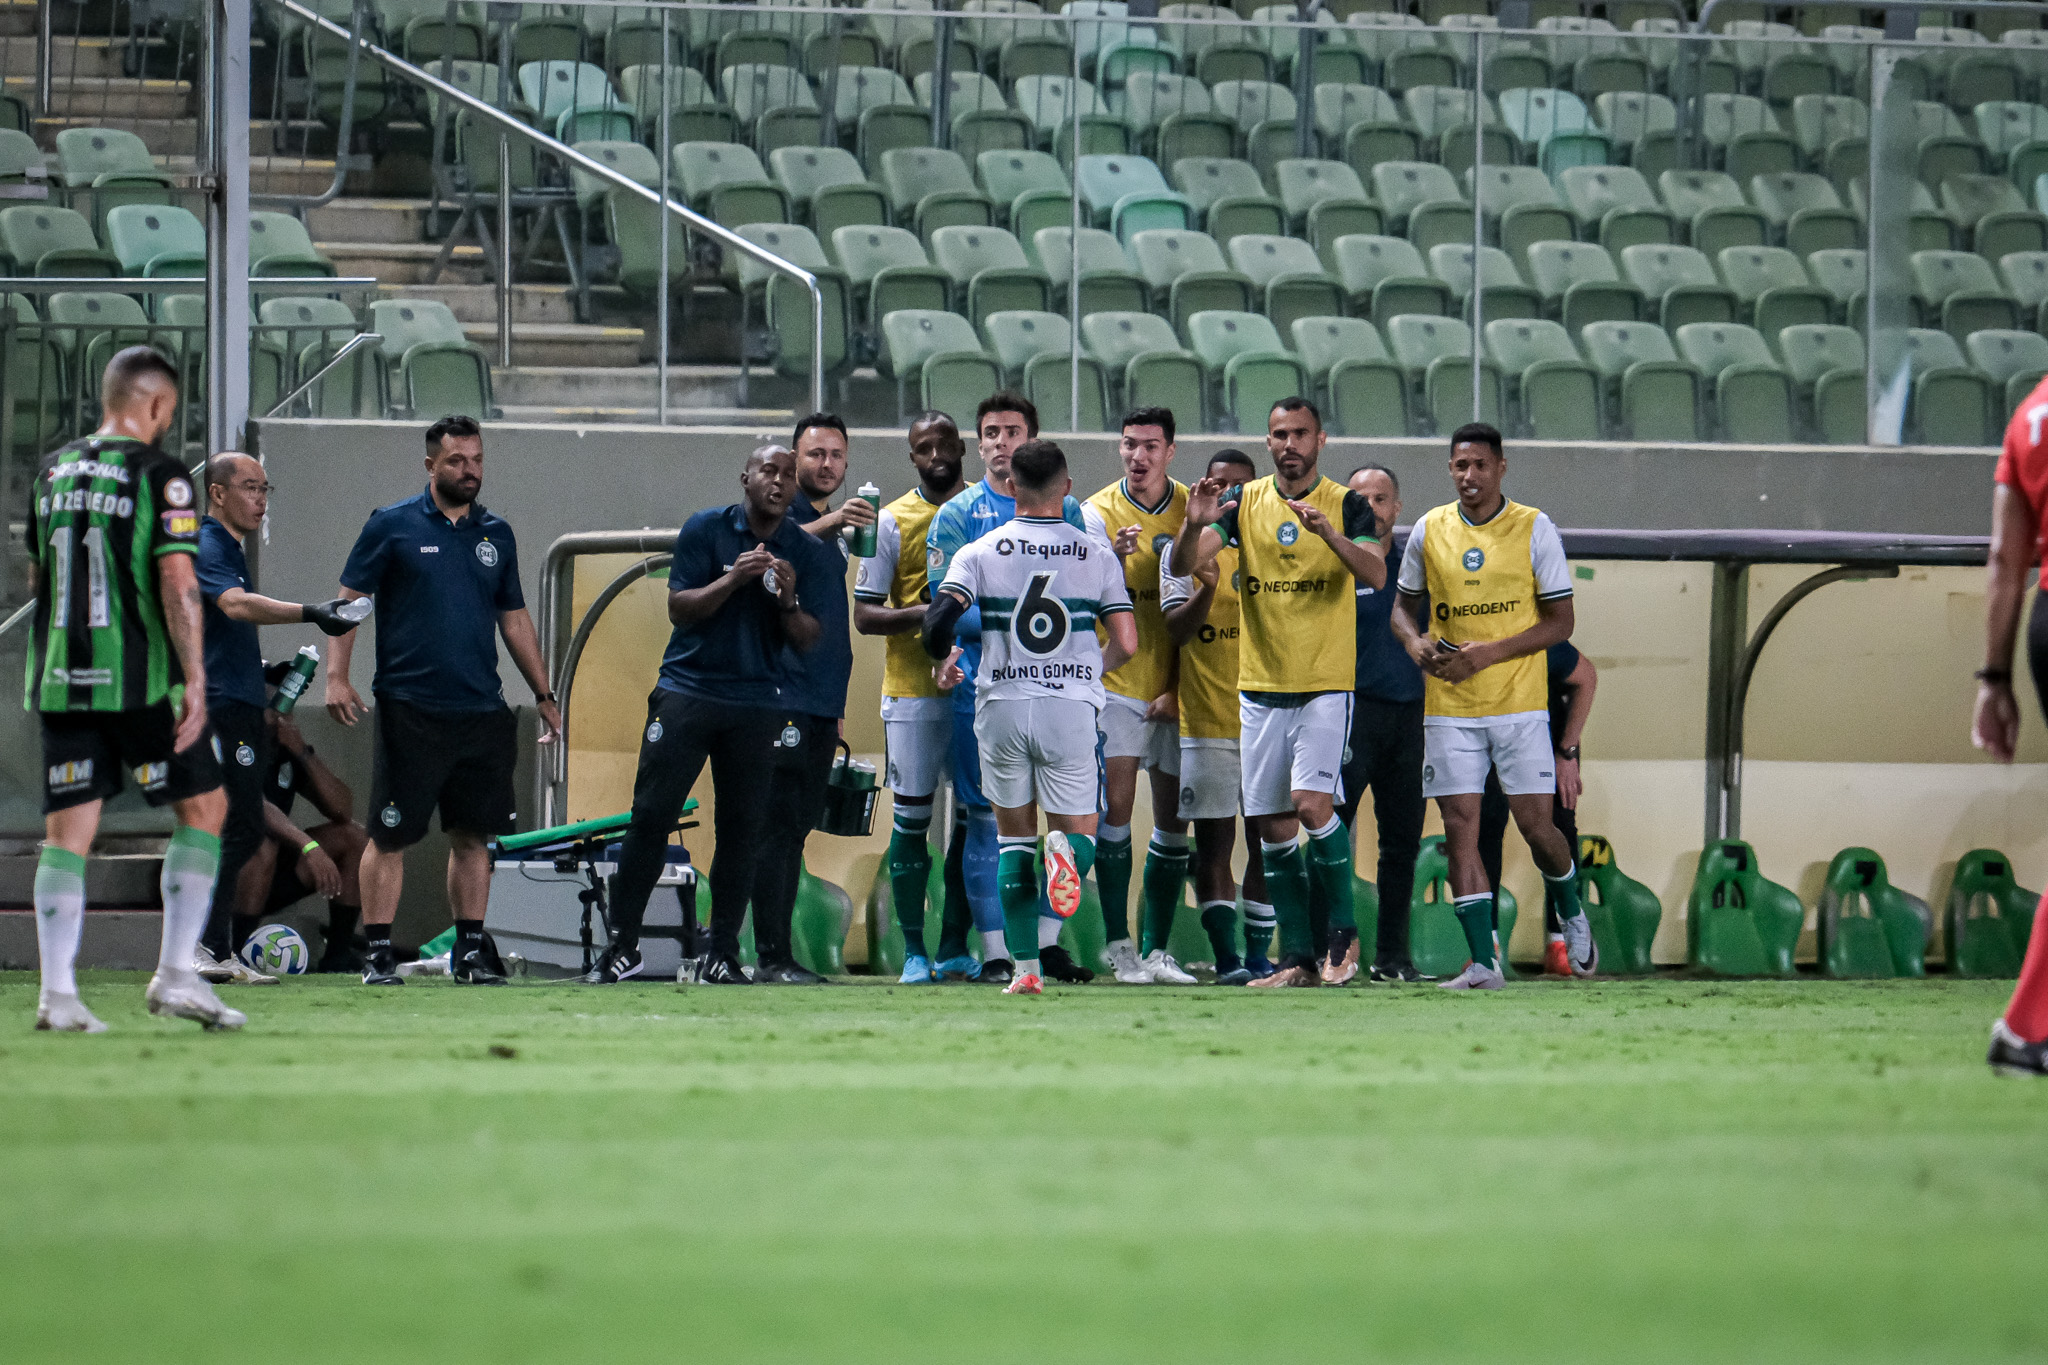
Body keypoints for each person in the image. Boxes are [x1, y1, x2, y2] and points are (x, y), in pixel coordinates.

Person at [27, 347, 241, 1031]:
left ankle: (57, 994)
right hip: (139, 680)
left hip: (62, 678)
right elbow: (180, 585)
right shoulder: (162, 476)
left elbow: (38, 581)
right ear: (153, 405)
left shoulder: (52, 470)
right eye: (168, 413)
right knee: (205, 808)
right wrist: (197, 679)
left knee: (67, 834)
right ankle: (177, 972)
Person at [324, 415, 563, 987]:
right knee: (390, 835)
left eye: (477, 460)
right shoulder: (391, 525)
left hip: (482, 710)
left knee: (473, 837)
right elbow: (348, 602)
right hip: (410, 706)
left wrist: (545, 693)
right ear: (431, 465)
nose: (470, 471)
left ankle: (471, 952)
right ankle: (378, 953)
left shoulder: (496, 534)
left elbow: (515, 618)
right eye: (457, 461)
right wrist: (337, 676)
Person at [587, 444, 838, 985]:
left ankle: (722, 951)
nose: (779, 482)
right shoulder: (705, 530)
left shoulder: (806, 553)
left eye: (788, 475)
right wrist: (734, 578)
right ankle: (622, 945)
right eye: (768, 471)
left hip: (757, 703)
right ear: (745, 478)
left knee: (742, 829)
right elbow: (680, 608)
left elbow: (811, 640)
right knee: (651, 816)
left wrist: (788, 603)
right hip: (688, 692)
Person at [1169, 398, 1386, 989]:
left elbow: (1374, 574)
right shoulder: (1244, 505)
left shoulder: (1349, 504)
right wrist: (1193, 523)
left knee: (1312, 804)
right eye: (1278, 435)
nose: (1288, 444)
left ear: (1321, 440)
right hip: (1259, 685)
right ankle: (1295, 960)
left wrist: (1330, 535)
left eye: (1299, 434)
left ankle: (1343, 938)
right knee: (1271, 826)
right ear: (1268, 442)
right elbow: (1184, 564)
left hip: (1323, 683)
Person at [923, 439, 1137, 995]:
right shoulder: (1096, 554)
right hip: (1069, 706)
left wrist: (945, 661)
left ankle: (1025, 970)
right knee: (1083, 833)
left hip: (1002, 705)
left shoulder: (980, 550)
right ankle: (1063, 853)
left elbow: (936, 620)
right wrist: (1089, 669)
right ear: (1066, 489)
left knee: (1011, 843)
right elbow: (1129, 644)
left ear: (1012, 487)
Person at [1388, 422, 1596, 991]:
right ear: (1450, 469)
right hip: (1450, 706)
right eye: (1460, 466)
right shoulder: (1430, 529)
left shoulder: (1534, 527)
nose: (1469, 476)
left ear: (1501, 467)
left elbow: (1562, 622)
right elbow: (1402, 609)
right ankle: (1483, 962)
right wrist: (1415, 643)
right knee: (1461, 829)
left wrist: (1489, 655)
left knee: (1537, 826)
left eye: (1480, 465)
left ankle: (1570, 904)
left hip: (1520, 706)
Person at [193, 453, 357, 982]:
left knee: (236, 826)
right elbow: (235, 607)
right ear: (218, 494)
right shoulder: (209, 544)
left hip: (236, 700)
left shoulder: (231, 551)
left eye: (266, 488)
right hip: (220, 706)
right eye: (249, 488)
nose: (261, 499)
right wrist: (312, 612)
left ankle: (213, 948)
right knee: (237, 826)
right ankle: (206, 946)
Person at [748, 415, 876, 985]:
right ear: (791, 462)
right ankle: (767, 953)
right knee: (772, 826)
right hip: (780, 698)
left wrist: (836, 700)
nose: (826, 465)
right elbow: (771, 553)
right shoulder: (783, 519)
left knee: (794, 827)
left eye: (836, 456)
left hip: (820, 700)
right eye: (815, 454)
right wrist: (832, 528)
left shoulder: (826, 525)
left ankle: (775, 952)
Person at [853, 411, 979, 985]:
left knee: (976, 824)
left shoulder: (985, 510)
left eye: (944, 444)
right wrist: (926, 615)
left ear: (962, 447)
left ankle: (955, 944)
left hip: (981, 688)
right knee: (911, 824)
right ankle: (913, 952)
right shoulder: (890, 522)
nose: (936, 455)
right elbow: (864, 614)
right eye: (924, 448)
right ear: (912, 457)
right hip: (912, 694)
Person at [1083, 408, 1194, 985]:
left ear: (1170, 451)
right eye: (1130, 444)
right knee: (1118, 811)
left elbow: (1200, 607)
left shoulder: (1188, 510)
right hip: (1117, 685)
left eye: (1151, 445)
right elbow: (1076, 605)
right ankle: (1119, 945)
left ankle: (1156, 950)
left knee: (1175, 821)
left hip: (1179, 686)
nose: (1139, 456)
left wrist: (1177, 687)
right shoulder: (1094, 513)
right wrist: (1113, 561)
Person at [1160, 448, 1274, 985]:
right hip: (1206, 720)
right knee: (1214, 846)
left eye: (1238, 489)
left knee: (1267, 843)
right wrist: (1208, 589)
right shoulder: (1181, 554)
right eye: (1218, 486)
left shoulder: (1276, 548)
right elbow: (1176, 631)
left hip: (1268, 717)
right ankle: (1227, 958)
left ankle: (1259, 955)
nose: (1228, 496)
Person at [1970, 377, 2048, 1076]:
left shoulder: (2031, 413)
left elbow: (2005, 559)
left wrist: (1993, 679)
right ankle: (2025, 1026)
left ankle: (2028, 1027)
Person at [1336, 463, 1430, 984]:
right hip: (1349, 714)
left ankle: (1392, 958)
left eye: (1381, 498)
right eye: (1360, 498)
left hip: (1410, 719)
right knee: (1330, 837)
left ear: (1397, 508)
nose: (1370, 507)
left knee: (1401, 845)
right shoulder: (1337, 563)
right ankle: (1329, 953)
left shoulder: (1419, 568)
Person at [1476, 642, 1598, 977]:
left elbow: (1586, 676)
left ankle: (1562, 937)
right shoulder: (1464, 631)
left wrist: (1567, 752)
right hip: (1486, 732)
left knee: (1551, 829)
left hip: (1545, 736)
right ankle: (1487, 947)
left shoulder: (1532, 636)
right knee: (1484, 826)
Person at [232, 692, 371, 970]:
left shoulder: (285, 753)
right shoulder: (234, 744)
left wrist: (303, 751)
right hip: (227, 873)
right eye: (275, 708)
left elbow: (343, 809)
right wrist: (308, 846)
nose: (282, 717)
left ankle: (338, 956)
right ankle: (232, 954)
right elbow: (253, 806)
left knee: (355, 837)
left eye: (287, 709)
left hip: (274, 874)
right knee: (263, 844)